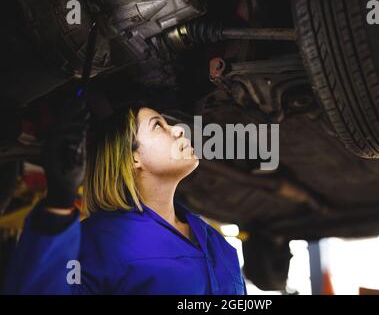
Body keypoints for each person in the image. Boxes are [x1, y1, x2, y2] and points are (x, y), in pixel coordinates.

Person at [3, 99, 247, 295]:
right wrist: (58, 202)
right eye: (158, 126)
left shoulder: (216, 242)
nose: (177, 129)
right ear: (133, 158)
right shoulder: (98, 242)